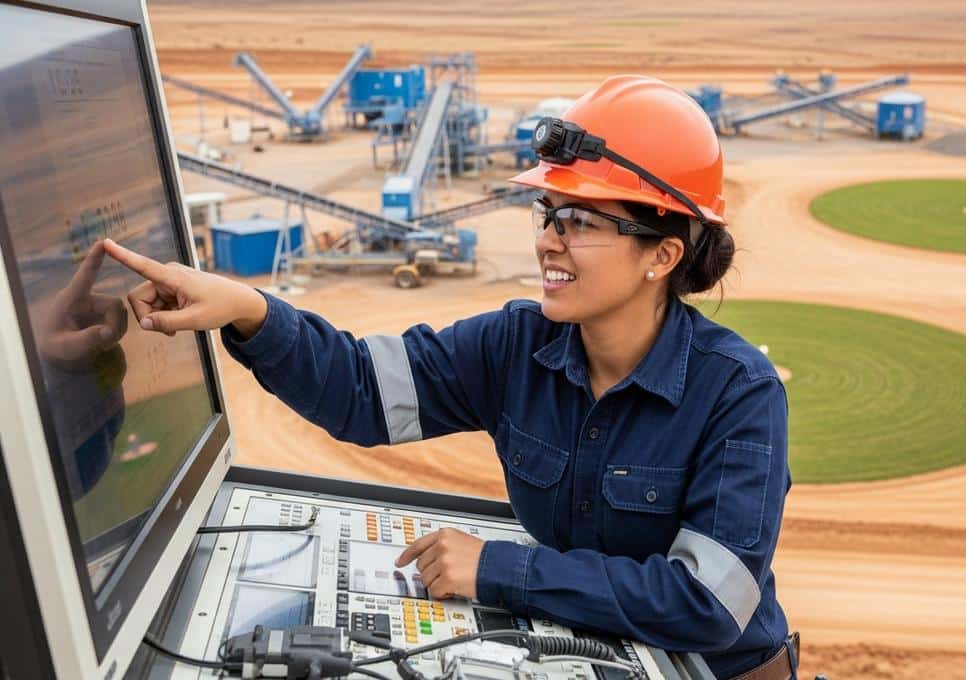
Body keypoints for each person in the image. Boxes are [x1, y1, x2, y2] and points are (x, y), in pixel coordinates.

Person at [103, 75, 797, 679]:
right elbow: (363, 394)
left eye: (580, 220)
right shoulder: (515, 346)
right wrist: (250, 310)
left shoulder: (738, 393)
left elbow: (708, 604)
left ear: (663, 255)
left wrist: (498, 569)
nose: (548, 239)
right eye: (547, 212)